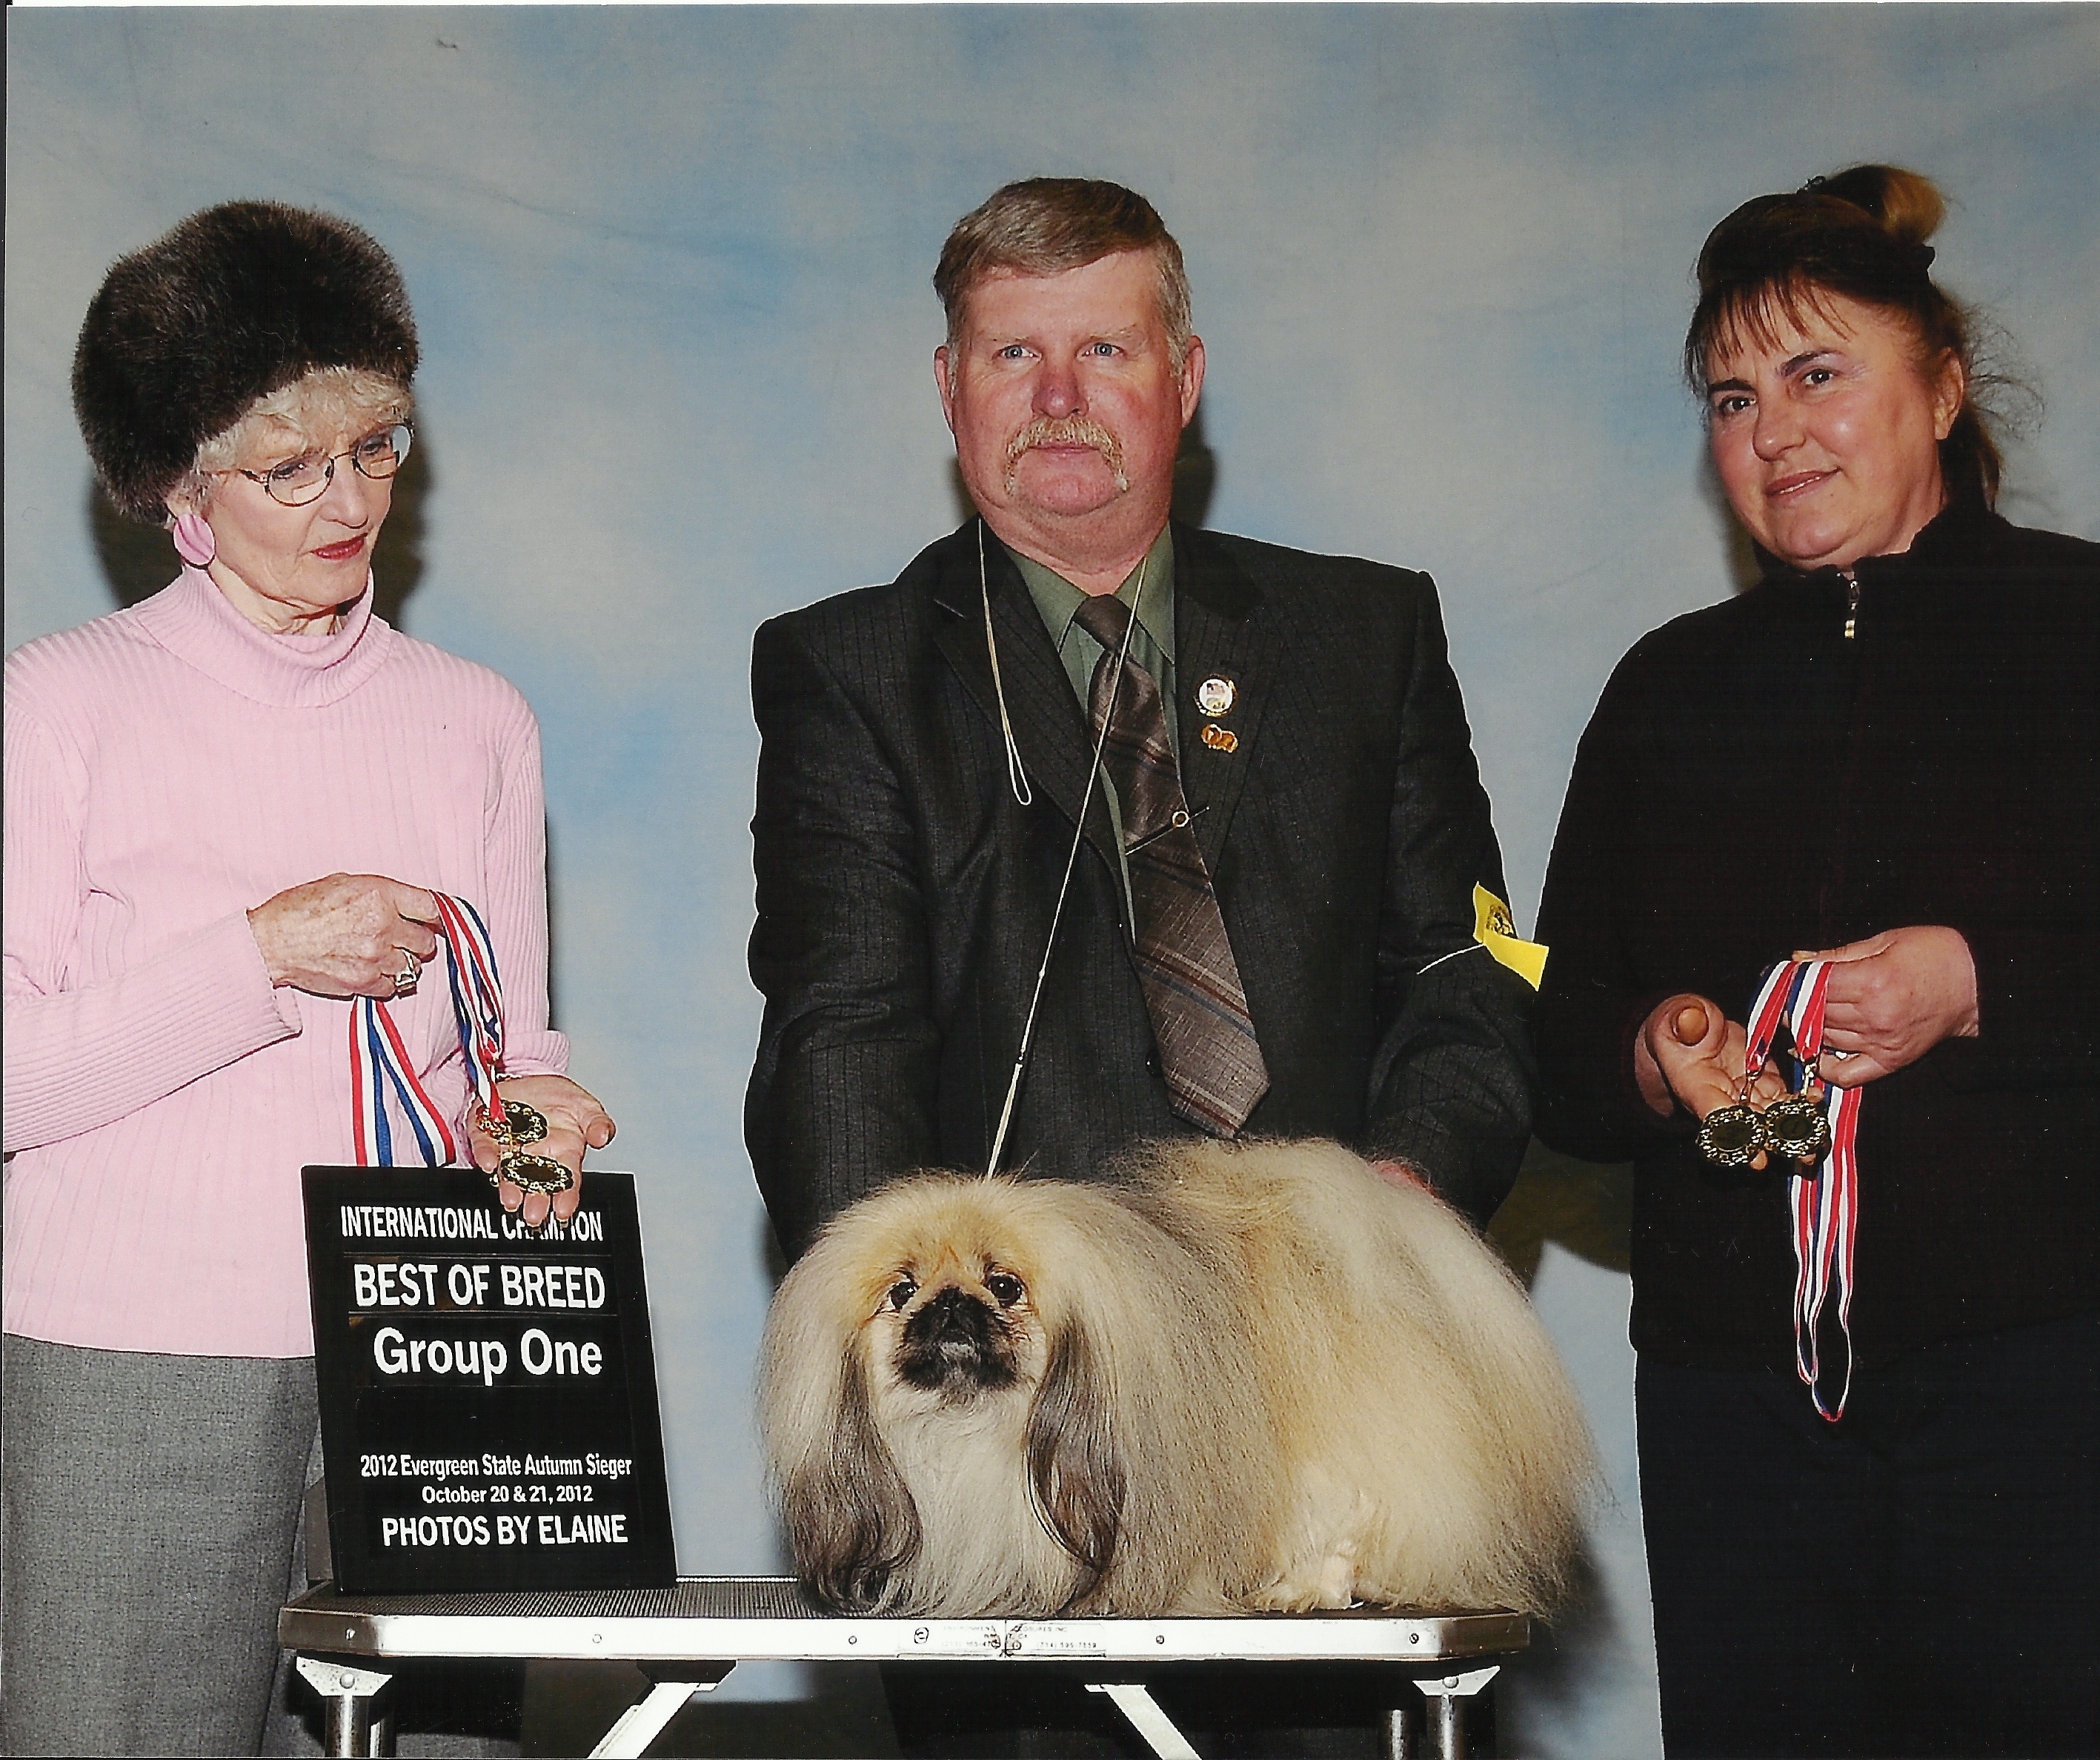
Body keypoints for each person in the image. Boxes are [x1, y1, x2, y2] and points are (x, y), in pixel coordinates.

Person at [748, 177, 1536, 1755]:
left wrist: (1404, 1199)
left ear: (1184, 377)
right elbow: (841, 1030)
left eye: (1103, 349)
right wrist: (902, 1350)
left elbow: (1477, 958)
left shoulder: (1366, 632)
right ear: (948, 388)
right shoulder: (850, 669)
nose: (1057, 396)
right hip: (1034, 1458)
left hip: (1331, 1418)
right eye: (1011, 354)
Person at [1534, 165, 2100, 1759]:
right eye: (1731, 398)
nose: (1773, 431)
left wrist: (1979, 986)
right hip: (1736, 1415)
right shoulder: (1663, 688)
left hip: (2066, 1396)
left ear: (1942, 390)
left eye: (1816, 373)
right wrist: (1655, 1048)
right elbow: (1549, 1037)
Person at [3, 202, 615, 1756]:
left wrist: (531, 1121)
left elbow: (508, 1050)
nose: (350, 501)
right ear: (177, 492)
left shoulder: (479, 719)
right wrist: (257, 956)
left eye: (376, 445)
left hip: (429, 1347)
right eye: (290, 468)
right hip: (133, 1360)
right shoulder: (57, 708)